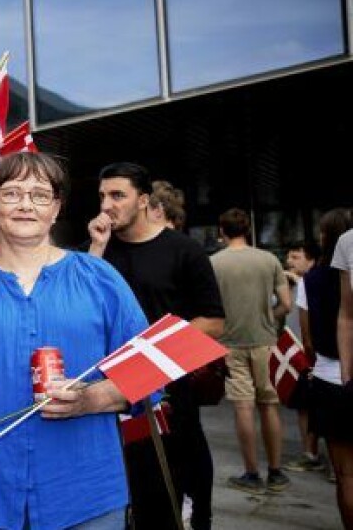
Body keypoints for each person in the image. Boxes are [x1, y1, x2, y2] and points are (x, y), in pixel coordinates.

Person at [0, 151, 151, 530]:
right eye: (11, 193)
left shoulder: (99, 277)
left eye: (40, 195)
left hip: (85, 494)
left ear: (56, 208)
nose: (26, 205)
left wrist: (90, 399)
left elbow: (148, 370)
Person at [88, 162, 224, 530]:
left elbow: (213, 319)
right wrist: (95, 250)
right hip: (112, 395)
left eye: (118, 195)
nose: (107, 205)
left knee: (172, 492)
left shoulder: (184, 251)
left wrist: (151, 357)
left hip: (170, 398)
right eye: (102, 196)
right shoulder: (99, 252)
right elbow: (81, 307)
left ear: (144, 200)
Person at [210, 208, 293, 494]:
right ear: (247, 229)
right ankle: (276, 471)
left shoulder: (214, 263)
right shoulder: (268, 260)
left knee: (243, 407)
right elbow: (286, 304)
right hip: (266, 341)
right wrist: (270, 317)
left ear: (222, 230)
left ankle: (251, 473)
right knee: (269, 405)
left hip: (230, 343)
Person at [311, 211, 353, 528]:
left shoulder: (313, 278)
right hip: (340, 377)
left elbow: (308, 331)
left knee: (345, 474)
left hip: (330, 374)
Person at [281, 241, 325, 473]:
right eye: (289, 256)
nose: (290, 262)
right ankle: (310, 452)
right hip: (298, 351)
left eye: (296, 257)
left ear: (312, 260)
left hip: (318, 352)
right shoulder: (289, 284)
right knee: (303, 404)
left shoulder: (316, 283)